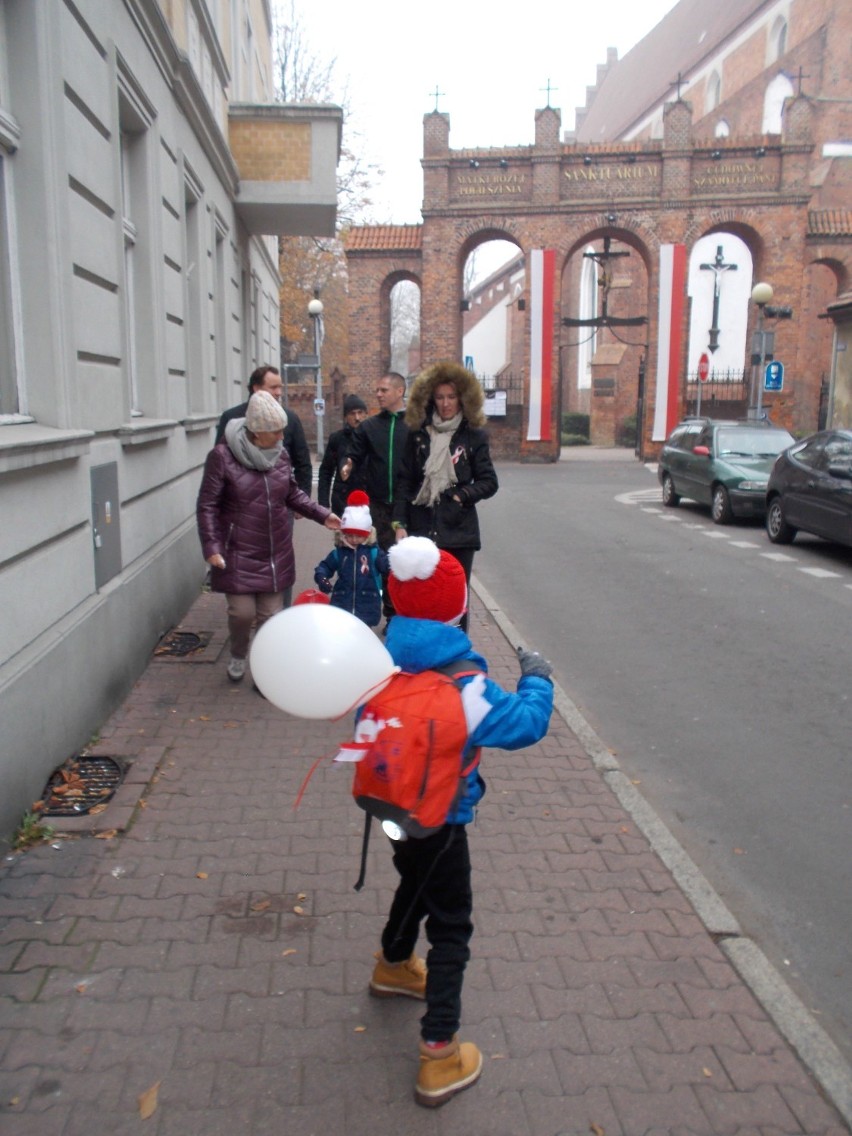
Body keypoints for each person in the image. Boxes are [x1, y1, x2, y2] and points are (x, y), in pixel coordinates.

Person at [366, 535, 554, 1108]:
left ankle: (394, 963)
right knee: (452, 927)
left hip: (390, 810)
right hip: (443, 819)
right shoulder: (466, 683)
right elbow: (524, 725)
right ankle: (439, 1053)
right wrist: (538, 679)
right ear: (458, 610)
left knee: (413, 879)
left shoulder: (377, 660)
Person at [197, 390, 340, 682]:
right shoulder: (222, 457)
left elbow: (292, 493)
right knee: (241, 613)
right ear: (256, 432)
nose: (280, 438)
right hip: (237, 550)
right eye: (275, 432)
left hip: (274, 550)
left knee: (271, 617)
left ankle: (265, 668)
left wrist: (322, 514)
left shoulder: (280, 455)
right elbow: (207, 505)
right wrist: (211, 546)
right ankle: (238, 653)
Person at [392, 361, 498, 633]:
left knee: (456, 599)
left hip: (458, 530)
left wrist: (462, 495)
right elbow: (405, 480)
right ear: (430, 399)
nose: (446, 403)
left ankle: (457, 657)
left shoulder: (473, 435)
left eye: (451, 397)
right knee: (423, 596)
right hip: (421, 527)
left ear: (463, 398)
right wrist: (400, 524)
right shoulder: (418, 435)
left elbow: (489, 482)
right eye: (440, 397)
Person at [340, 372, 409, 623]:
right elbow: (353, 453)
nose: (378, 395)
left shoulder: (416, 424)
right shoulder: (369, 427)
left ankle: (410, 612)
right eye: (377, 390)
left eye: (383, 390)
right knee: (386, 561)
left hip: (411, 505)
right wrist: (347, 464)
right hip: (379, 505)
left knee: (410, 562)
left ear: (400, 391)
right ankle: (392, 614)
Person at [215, 365, 312, 497]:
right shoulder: (231, 418)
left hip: (279, 501)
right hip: (239, 504)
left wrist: (303, 495)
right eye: (273, 387)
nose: (279, 392)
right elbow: (218, 467)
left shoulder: (290, 419)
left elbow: (302, 462)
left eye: (280, 387)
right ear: (256, 388)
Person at [313, 491, 387, 628]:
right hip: (342, 606)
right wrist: (322, 577)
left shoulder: (374, 553)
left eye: (358, 536)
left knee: (363, 640)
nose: (353, 540)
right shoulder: (339, 553)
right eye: (349, 535)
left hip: (367, 607)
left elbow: (387, 566)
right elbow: (324, 567)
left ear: (367, 535)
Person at [317, 393, 368, 516]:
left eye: (360, 412)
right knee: (343, 535)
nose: (357, 417)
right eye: (352, 413)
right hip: (343, 500)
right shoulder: (337, 439)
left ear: (366, 414)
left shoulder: (373, 437)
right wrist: (323, 503)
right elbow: (326, 471)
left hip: (367, 498)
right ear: (346, 417)